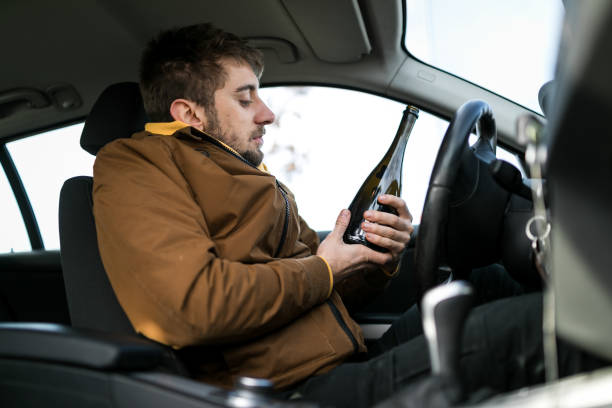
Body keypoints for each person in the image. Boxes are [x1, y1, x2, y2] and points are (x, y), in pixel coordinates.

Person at [92, 23, 605, 408]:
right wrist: (326, 267)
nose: (267, 112)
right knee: (552, 327)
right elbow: (190, 306)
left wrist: (372, 258)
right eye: (246, 98)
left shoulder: (244, 172)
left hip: (346, 360)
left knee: (492, 282)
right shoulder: (137, 164)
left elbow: (312, 295)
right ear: (189, 113)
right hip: (292, 393)